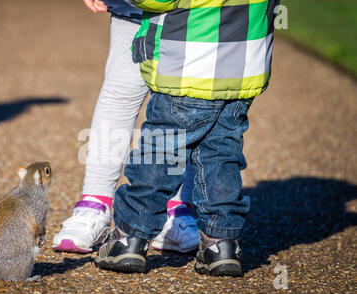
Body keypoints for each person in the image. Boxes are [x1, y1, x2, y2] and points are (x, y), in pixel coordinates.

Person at [94, 0, 280, 277]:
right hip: (242, 72)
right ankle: (221, 244)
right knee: (222, 157)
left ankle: (130, 239)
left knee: (159, 156)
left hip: (185, 68)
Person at [52, 0, 200, 254]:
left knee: (190, 101)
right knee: (121, 93)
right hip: (134, 6)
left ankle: (176, 208)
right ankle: (95, 204)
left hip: (201, 14)